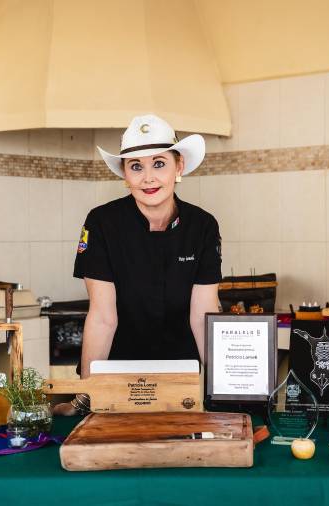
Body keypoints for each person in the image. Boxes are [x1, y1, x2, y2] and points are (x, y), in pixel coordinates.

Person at [56, 114, 221, 415]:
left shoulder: (203, 226)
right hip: (116, 378)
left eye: (159, 163)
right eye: (136, 166)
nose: (148, 178)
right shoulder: (102, 223)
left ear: (178, 166)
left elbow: (202, 316)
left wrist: (219, 389)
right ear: (124, 173)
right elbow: (104, 317)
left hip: (181, 380)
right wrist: (86, 396)